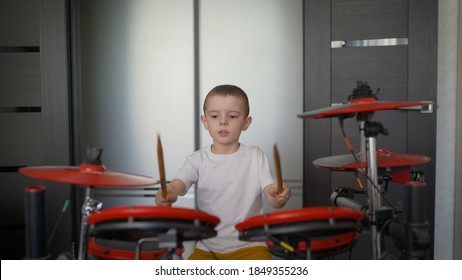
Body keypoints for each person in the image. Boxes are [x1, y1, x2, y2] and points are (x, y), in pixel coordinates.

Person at [155, 84, 291, 260]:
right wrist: (168, 193)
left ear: (246, 123)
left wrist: (279, 195)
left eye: (232, 116)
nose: (223, 121)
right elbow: (177, 186)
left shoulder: (255, 156)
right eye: (214, 116)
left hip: (251, 246)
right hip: (207, 247)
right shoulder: (197, 159)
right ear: (205, 122)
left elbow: (273, 198)